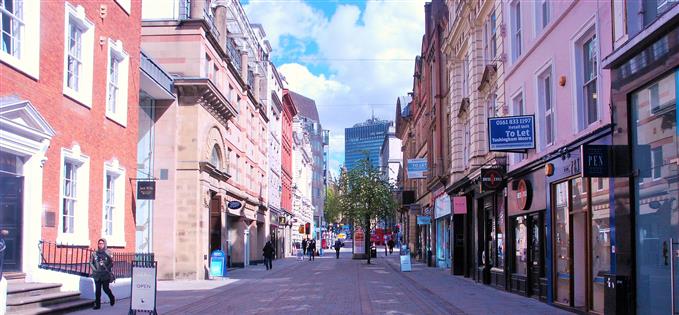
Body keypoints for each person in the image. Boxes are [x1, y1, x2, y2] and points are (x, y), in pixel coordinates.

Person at [90, 238, 115, 310]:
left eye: (102, 243)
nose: (100, 245)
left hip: (105, 275)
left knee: (105, 289)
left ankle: (111, 297)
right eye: (99, 243)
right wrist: (95, 270)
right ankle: (97, 305)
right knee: (98, 290)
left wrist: (107, 268)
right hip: (97, 275)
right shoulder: (94, 254)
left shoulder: (108, 253)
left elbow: (111, 262)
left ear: (104, 244)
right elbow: (91, 262)